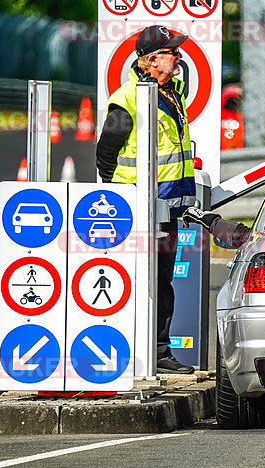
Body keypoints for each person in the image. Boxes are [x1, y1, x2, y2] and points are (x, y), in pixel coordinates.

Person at [96, 25, 196, 374]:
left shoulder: (174, 92)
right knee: (138, 278)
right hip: (138, 207)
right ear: (152, 60)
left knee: (162, 280)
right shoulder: (128, 98)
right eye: (172, 51)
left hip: (168, 207)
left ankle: (158, 352)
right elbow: (106, 152)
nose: (179, 56)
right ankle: (128, 351)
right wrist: (116, 197)